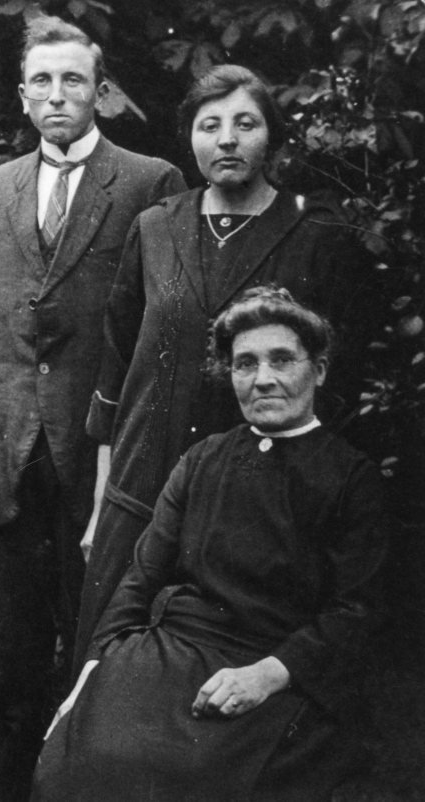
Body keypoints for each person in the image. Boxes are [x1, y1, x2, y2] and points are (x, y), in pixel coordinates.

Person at [0, 16, 185, 798]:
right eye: (41, 81)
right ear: (21, 95)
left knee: (95, 643)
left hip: (101, 456)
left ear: (99, 91)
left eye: (73, 79)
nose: (57, 94)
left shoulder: (148, 181)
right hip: (8, 452)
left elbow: (162, 333)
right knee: (13, 653)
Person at [33, 287, 388, 801]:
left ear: (319, 370)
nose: (263, 378)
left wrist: (267, 676)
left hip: (276, 667)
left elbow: (356, 610)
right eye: (245, 364)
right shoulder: (202, 460)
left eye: (281, 360)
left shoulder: (351, 477)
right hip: (168, 652)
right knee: (81, 760)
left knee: (192, 778)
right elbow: (140, 579)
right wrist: (91, 674)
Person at [73, 65, 368, 667]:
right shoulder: (156, 227)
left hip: (261, 506)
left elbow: (339, 384)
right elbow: (116, 368)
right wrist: (104, 502)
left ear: (271, 136)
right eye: (210, 125)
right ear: (190, 139)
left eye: (245, 124)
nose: (227, 139)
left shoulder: (316, 234)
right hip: (142, 490)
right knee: (108, 667)